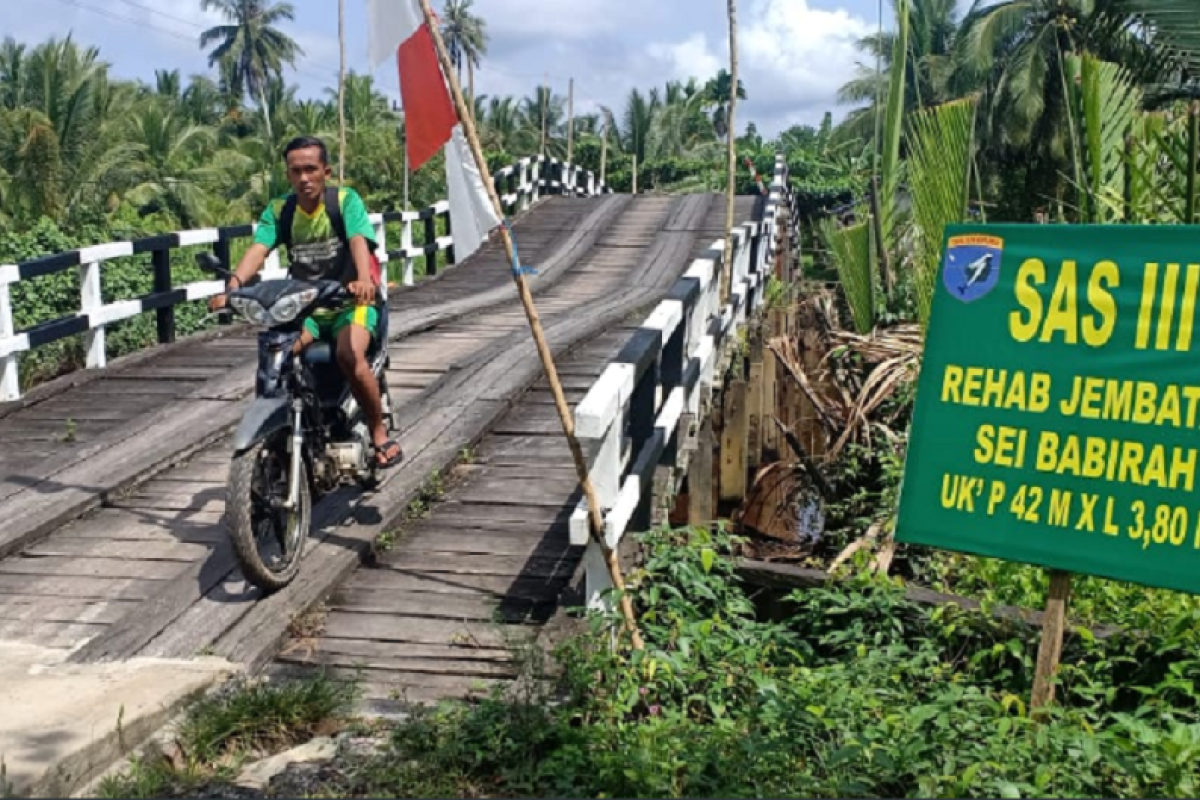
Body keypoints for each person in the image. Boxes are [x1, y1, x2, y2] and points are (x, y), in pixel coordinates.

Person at [210, 135, 403, 469]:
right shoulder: (280, 210)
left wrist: (364, 281)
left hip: (349, 304)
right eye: (295, 171)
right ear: (288, 174)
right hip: (306, 309)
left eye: (311, 169)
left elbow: (359, 240)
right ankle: (288, 430)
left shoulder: (344, 201)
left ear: (325, 171)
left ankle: (378, 432)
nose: (303, 178)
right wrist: (233, 287)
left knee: (349, 354)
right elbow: (258, 249)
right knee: (277, 357)